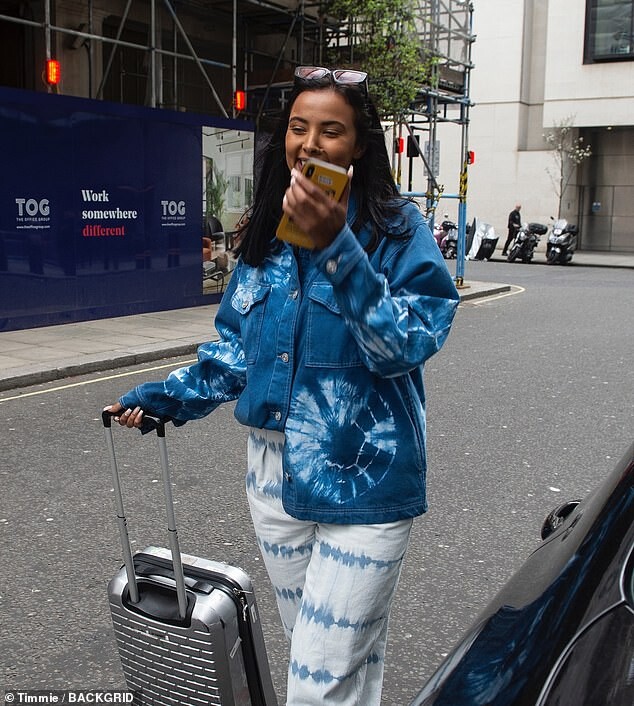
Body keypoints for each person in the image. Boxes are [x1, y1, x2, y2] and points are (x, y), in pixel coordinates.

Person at [105, 65, 459, 706]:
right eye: (299, 128)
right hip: (272, 480)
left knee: (319, 680)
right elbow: (238, 350)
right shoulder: (267, 233)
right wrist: (165, 397)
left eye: (331, 130)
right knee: (333, 663)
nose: (310, 144)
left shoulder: (400, 232)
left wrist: (336, 247)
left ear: (360, 144)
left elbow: (404, 346)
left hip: (364, 482)